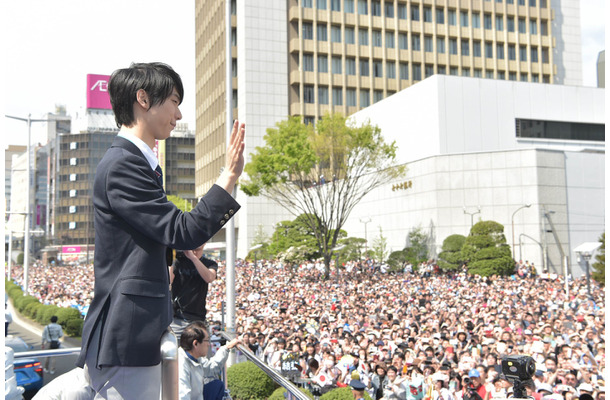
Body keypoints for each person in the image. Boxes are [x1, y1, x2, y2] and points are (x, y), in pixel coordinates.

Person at [75, 62, 245, 399]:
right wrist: (228, 176)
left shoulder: (138, 164)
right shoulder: (124, 164)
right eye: (174, 101)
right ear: (143, 98)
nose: (179, 114)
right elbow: (183, 232)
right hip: (127, 337)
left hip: (136, 332)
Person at [178, 321, 242, 400]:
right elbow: (183, 396)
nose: (209, 344)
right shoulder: (180, 365)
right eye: (207, 340)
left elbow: (211, 368)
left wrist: (227, 347)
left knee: (217, 386)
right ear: (195, 343)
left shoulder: (196, 358)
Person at [170, 244, 218, 341]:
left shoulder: (209, 263)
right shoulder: (178, 262)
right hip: (177, 319)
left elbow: (209, 277)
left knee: (200, 353)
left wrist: (193, 258)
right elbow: (168, 280)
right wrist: (172, 260)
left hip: (198, 319)